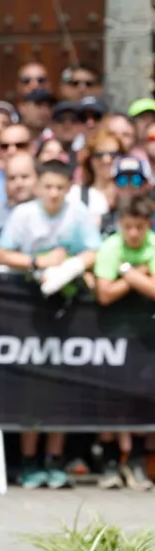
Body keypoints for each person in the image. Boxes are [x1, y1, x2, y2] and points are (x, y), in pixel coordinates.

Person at [0, 159, 102, 489]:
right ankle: (28, 461)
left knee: (61, 386)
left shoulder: (78, 215)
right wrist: (37, 262)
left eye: (60, 187)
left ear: (69, 187)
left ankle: (54, 459)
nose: (53, 193)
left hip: (67, 309)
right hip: (27, 307)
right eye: (48, 187)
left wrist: (69, 267)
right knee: (32, 389)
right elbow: (0, 253)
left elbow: (94, 251)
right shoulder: (23, 214)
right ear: (38, 186)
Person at [88, 194, 155, 491]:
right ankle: (111, 462)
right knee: (111, 399)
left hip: (146, 335)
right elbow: (104, 294)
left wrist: (124, 274)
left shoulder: (152, 244)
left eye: (140, 227)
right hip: (113, 331)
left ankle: (137, 460)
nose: (134, 234)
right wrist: (137, 274)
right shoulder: (111, 246)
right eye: (129, 227)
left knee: (143, 397)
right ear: (120, 225)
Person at [0, 151, 37, 242]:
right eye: (12, 178)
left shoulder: (52, 212)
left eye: (25, 177)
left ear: (38, 178)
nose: (19, 184)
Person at [69, 129, 122, 227]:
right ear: (90, 160)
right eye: (99, 155)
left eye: (113, 155)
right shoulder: (76, 195)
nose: (106, 159)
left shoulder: (133, 191)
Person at [100, 156, 152, 238]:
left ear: (147, 185)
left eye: (136, 180)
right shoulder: (103, 220)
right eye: (122, 180)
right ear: (114, 184)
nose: (129, 185)